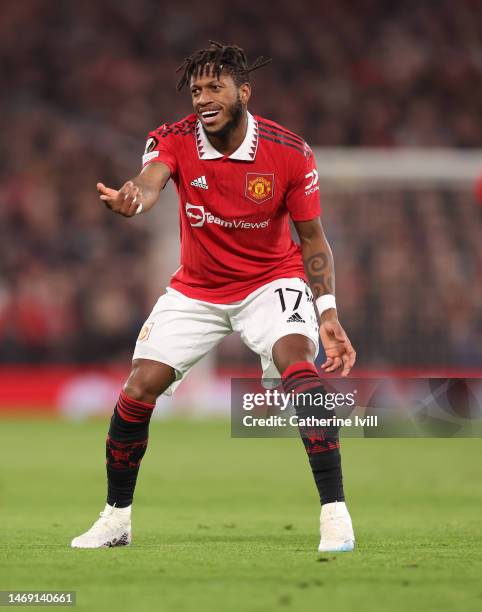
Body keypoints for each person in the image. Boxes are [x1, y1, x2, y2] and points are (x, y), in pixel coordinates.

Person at [71, 41, 356, 552]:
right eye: (196, 89)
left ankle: (335, 513)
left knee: (299, 369)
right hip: (197, 288)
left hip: (271, 281)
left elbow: (312, 239)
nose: (203, 97)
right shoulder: (174, 139)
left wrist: (328, 312)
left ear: (243, 91)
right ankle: (116, 520)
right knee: (138, 390)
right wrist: (134, 198)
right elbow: (150, 180)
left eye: (215, 87)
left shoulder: (290, 152)